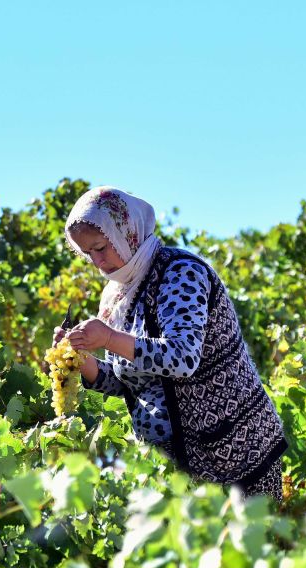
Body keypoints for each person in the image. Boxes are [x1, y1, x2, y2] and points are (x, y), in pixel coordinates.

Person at [53, 186, 287, 501]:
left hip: (233, 454)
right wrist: (81, 359)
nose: (97, 261)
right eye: (87, 254)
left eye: (101, 247)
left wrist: (108, 338)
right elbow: (130, 382)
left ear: (126, 232)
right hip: (175, 466)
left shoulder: (180, 273)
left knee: (246, 547)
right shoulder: (118, 295)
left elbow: (182, 359)